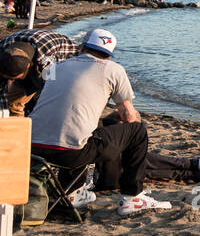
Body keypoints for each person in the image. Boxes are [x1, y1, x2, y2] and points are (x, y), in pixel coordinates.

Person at [29, 28, 169, 216]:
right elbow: (129, 117)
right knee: (137, 132)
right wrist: (128, 117)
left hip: (32, 149)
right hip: (69, 154)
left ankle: (71, 192)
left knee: (82, 127)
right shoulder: (113, 69)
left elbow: (62, 104)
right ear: (109, 56)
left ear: (83, 47)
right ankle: (132, 196)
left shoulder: (56, 67)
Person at [0, 28, 80, 116]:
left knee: (49, 104)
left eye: (13, 78)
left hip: (67, 59)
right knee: (12, 102)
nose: (10, 81)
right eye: (8, 78)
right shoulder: (2, 51)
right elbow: (1, 94)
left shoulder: (46, 60)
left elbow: (50, 90)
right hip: (32, 53)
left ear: (28, 66)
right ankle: (18, 126)